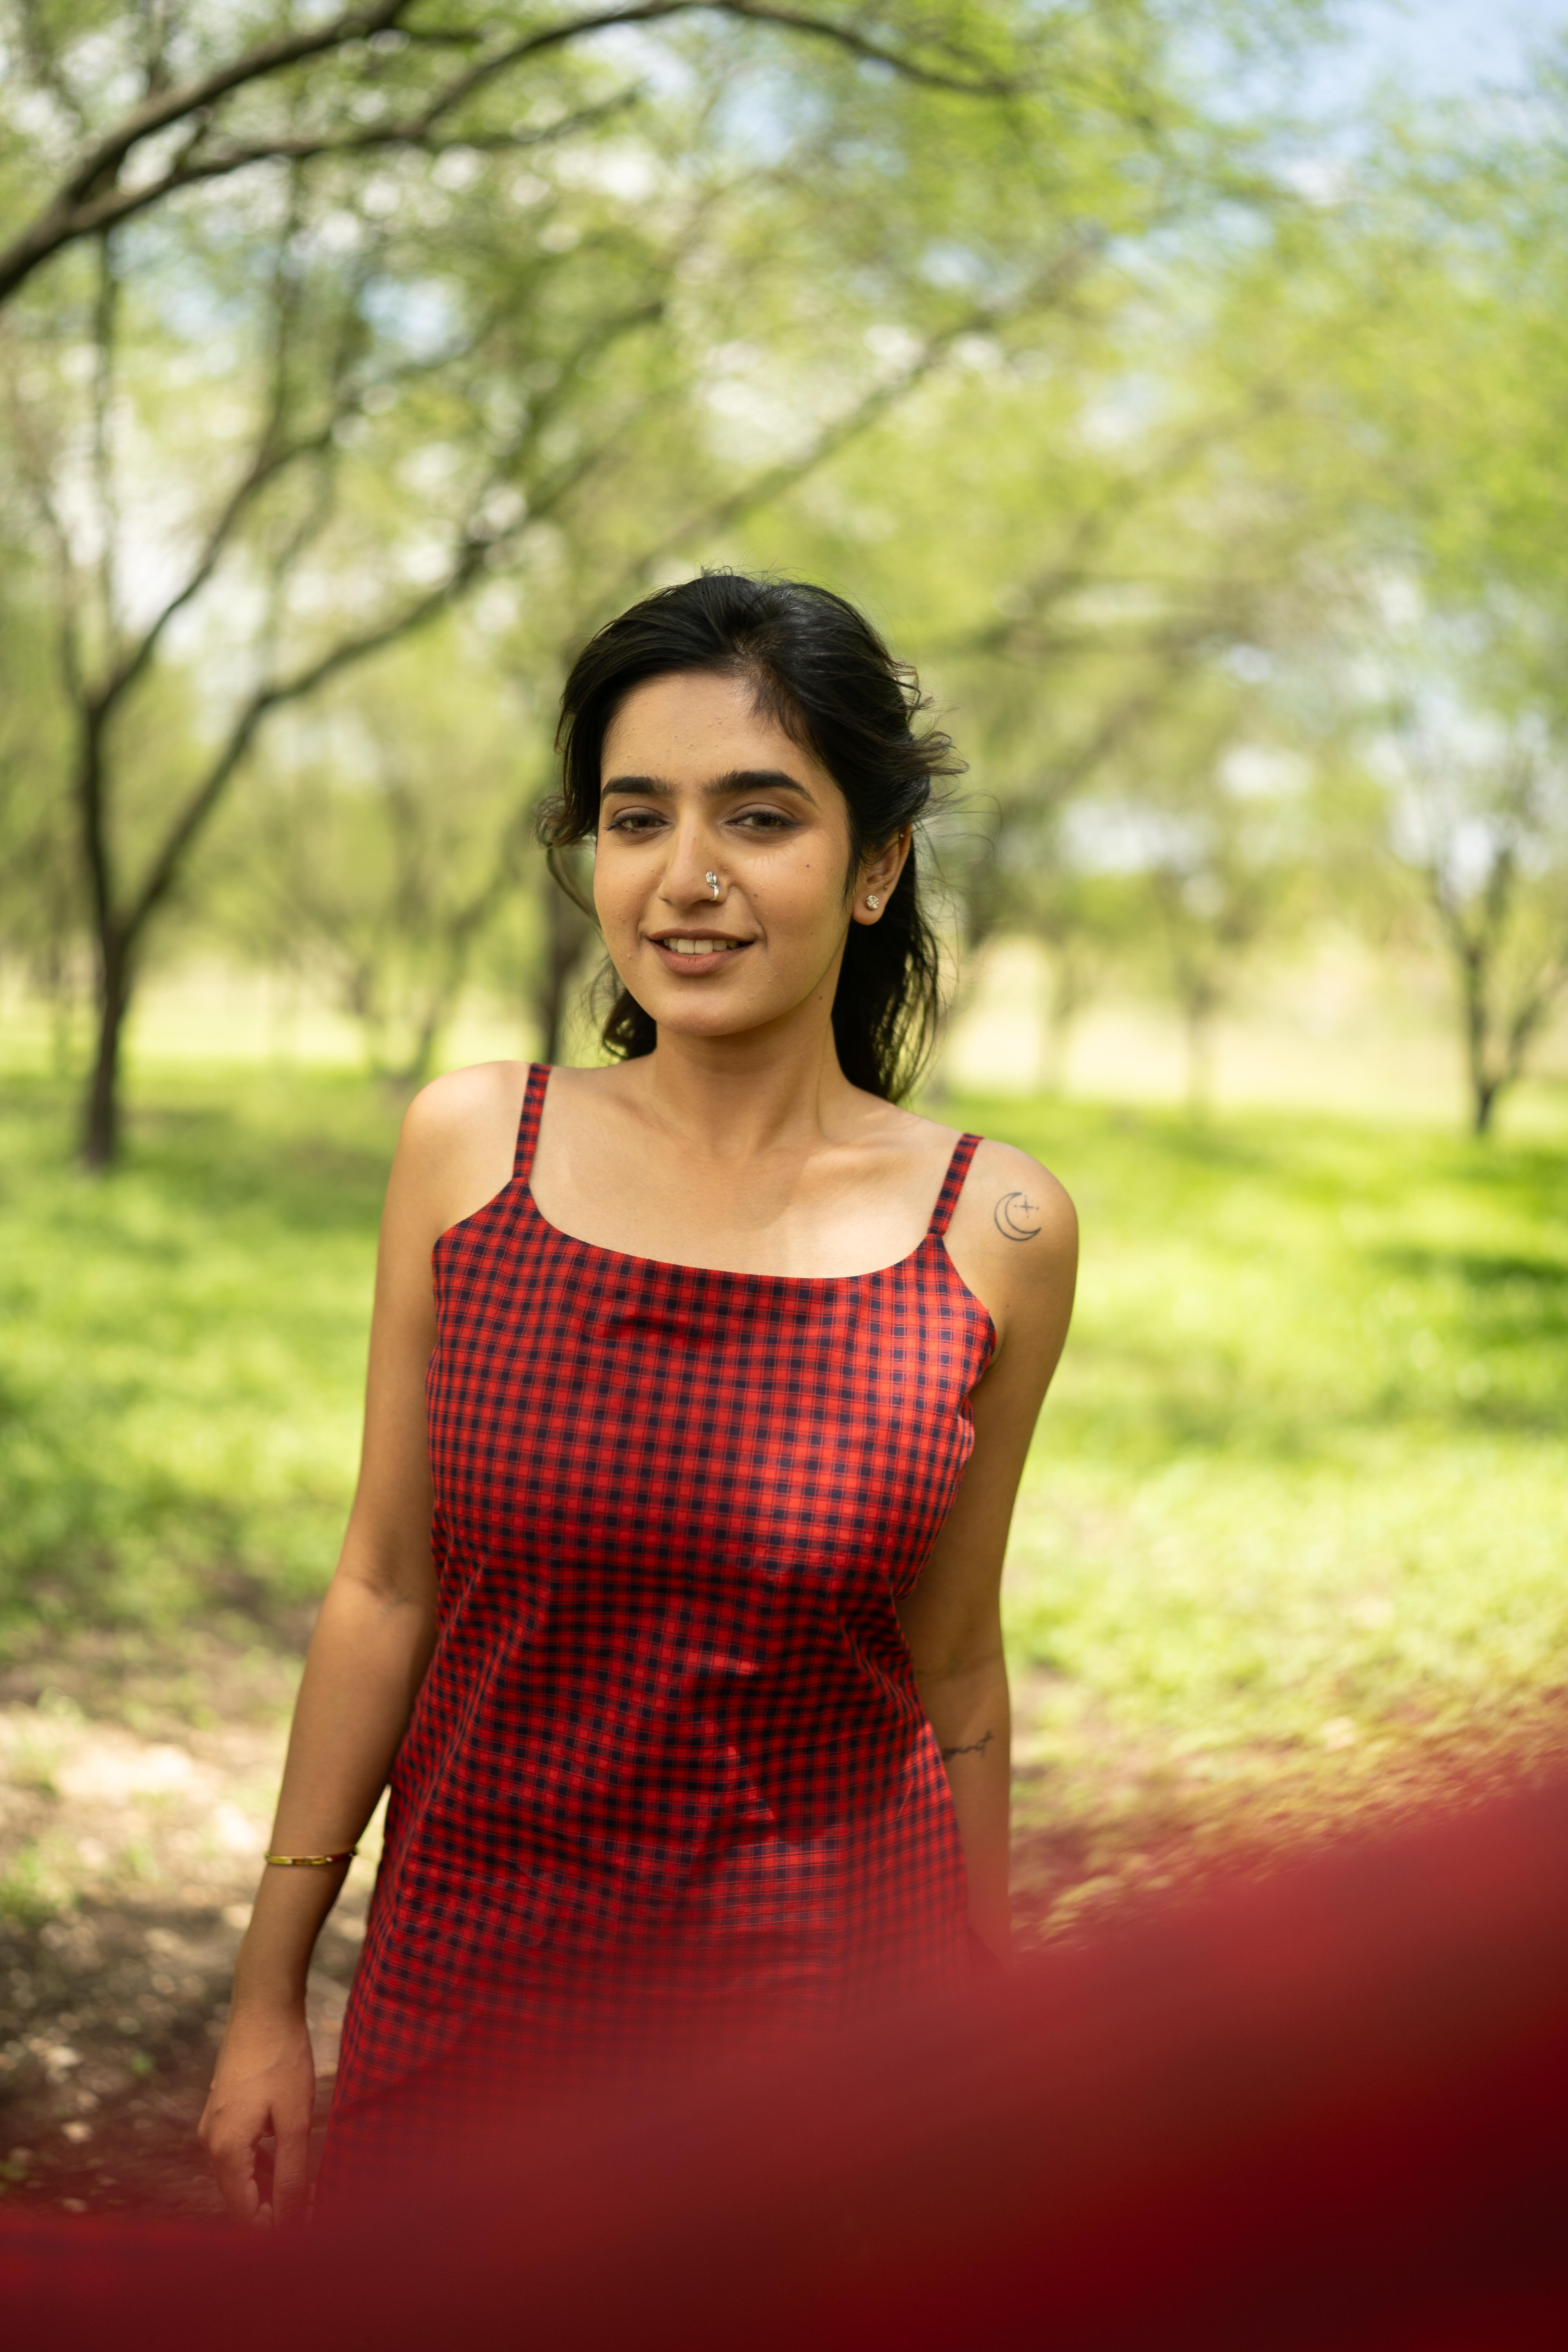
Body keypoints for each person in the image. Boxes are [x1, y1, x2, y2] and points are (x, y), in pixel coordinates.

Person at [199, 572, 1077, 2225]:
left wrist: (987, 2019)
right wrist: (268, 1996)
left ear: (875, 865)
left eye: (760, 817)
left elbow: (954, 1660)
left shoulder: (997, 1228)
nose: (688, 876)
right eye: (635, 817)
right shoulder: (473, 1149)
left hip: (829, 2043)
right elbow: (385, 1583)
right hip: (472, 2001)